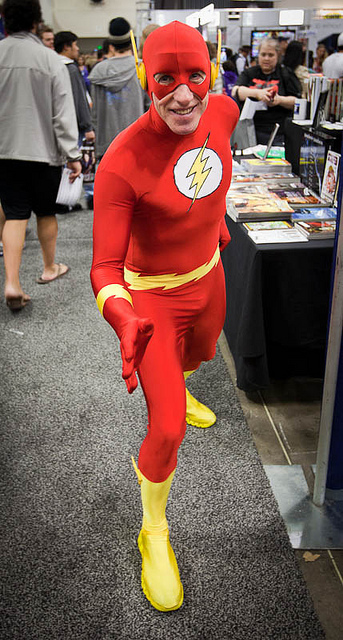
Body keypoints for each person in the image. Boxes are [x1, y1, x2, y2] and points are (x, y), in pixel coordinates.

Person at [90, 21, 239, 612]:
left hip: (210, 278)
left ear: (213, 69)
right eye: (166, 79)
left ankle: (177, 379)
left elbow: (210, 185)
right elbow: (104, 267)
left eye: (195, 76)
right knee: (169, 427)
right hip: (152, 300)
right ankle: (153, 531)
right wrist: (125, 319)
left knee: (199, 358)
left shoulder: (223, 112)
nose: (182, 95)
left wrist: (217, 227)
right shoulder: (122, 161)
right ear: (144, 73)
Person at [0, 0, 81, 310]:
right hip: (43, 152)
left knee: (15, 214)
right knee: (45, 212)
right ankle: (49, 268)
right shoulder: (50, 60)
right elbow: (62, 113)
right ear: (36, 22)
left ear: (5, 20)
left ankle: (12, 282)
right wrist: (72, 154)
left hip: (4, 153)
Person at [89, 17, 150, 161]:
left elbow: (95, 114)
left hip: (107, 147)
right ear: (131, 41)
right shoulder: (142, 69)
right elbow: (150, 109)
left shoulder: (98, 71)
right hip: (138, 145)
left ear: (111, 45)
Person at [231, 37, 301, 145]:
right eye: (263, 54)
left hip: (278, 132)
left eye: (271, 55)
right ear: (258, 55)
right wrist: (258, 93)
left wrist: (279, 100)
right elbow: (236, 91)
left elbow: (297, 101)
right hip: (250, 131)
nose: (266, 58)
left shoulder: (285, 74)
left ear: (278, 56)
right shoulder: (249, 73)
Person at [54, 30, 95, 145]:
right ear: (66, 47)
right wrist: (87, 126)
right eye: (75, 45)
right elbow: (79, 98)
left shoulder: (51, 66)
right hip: (73, 126)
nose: (77, 48)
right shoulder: (71, 69)